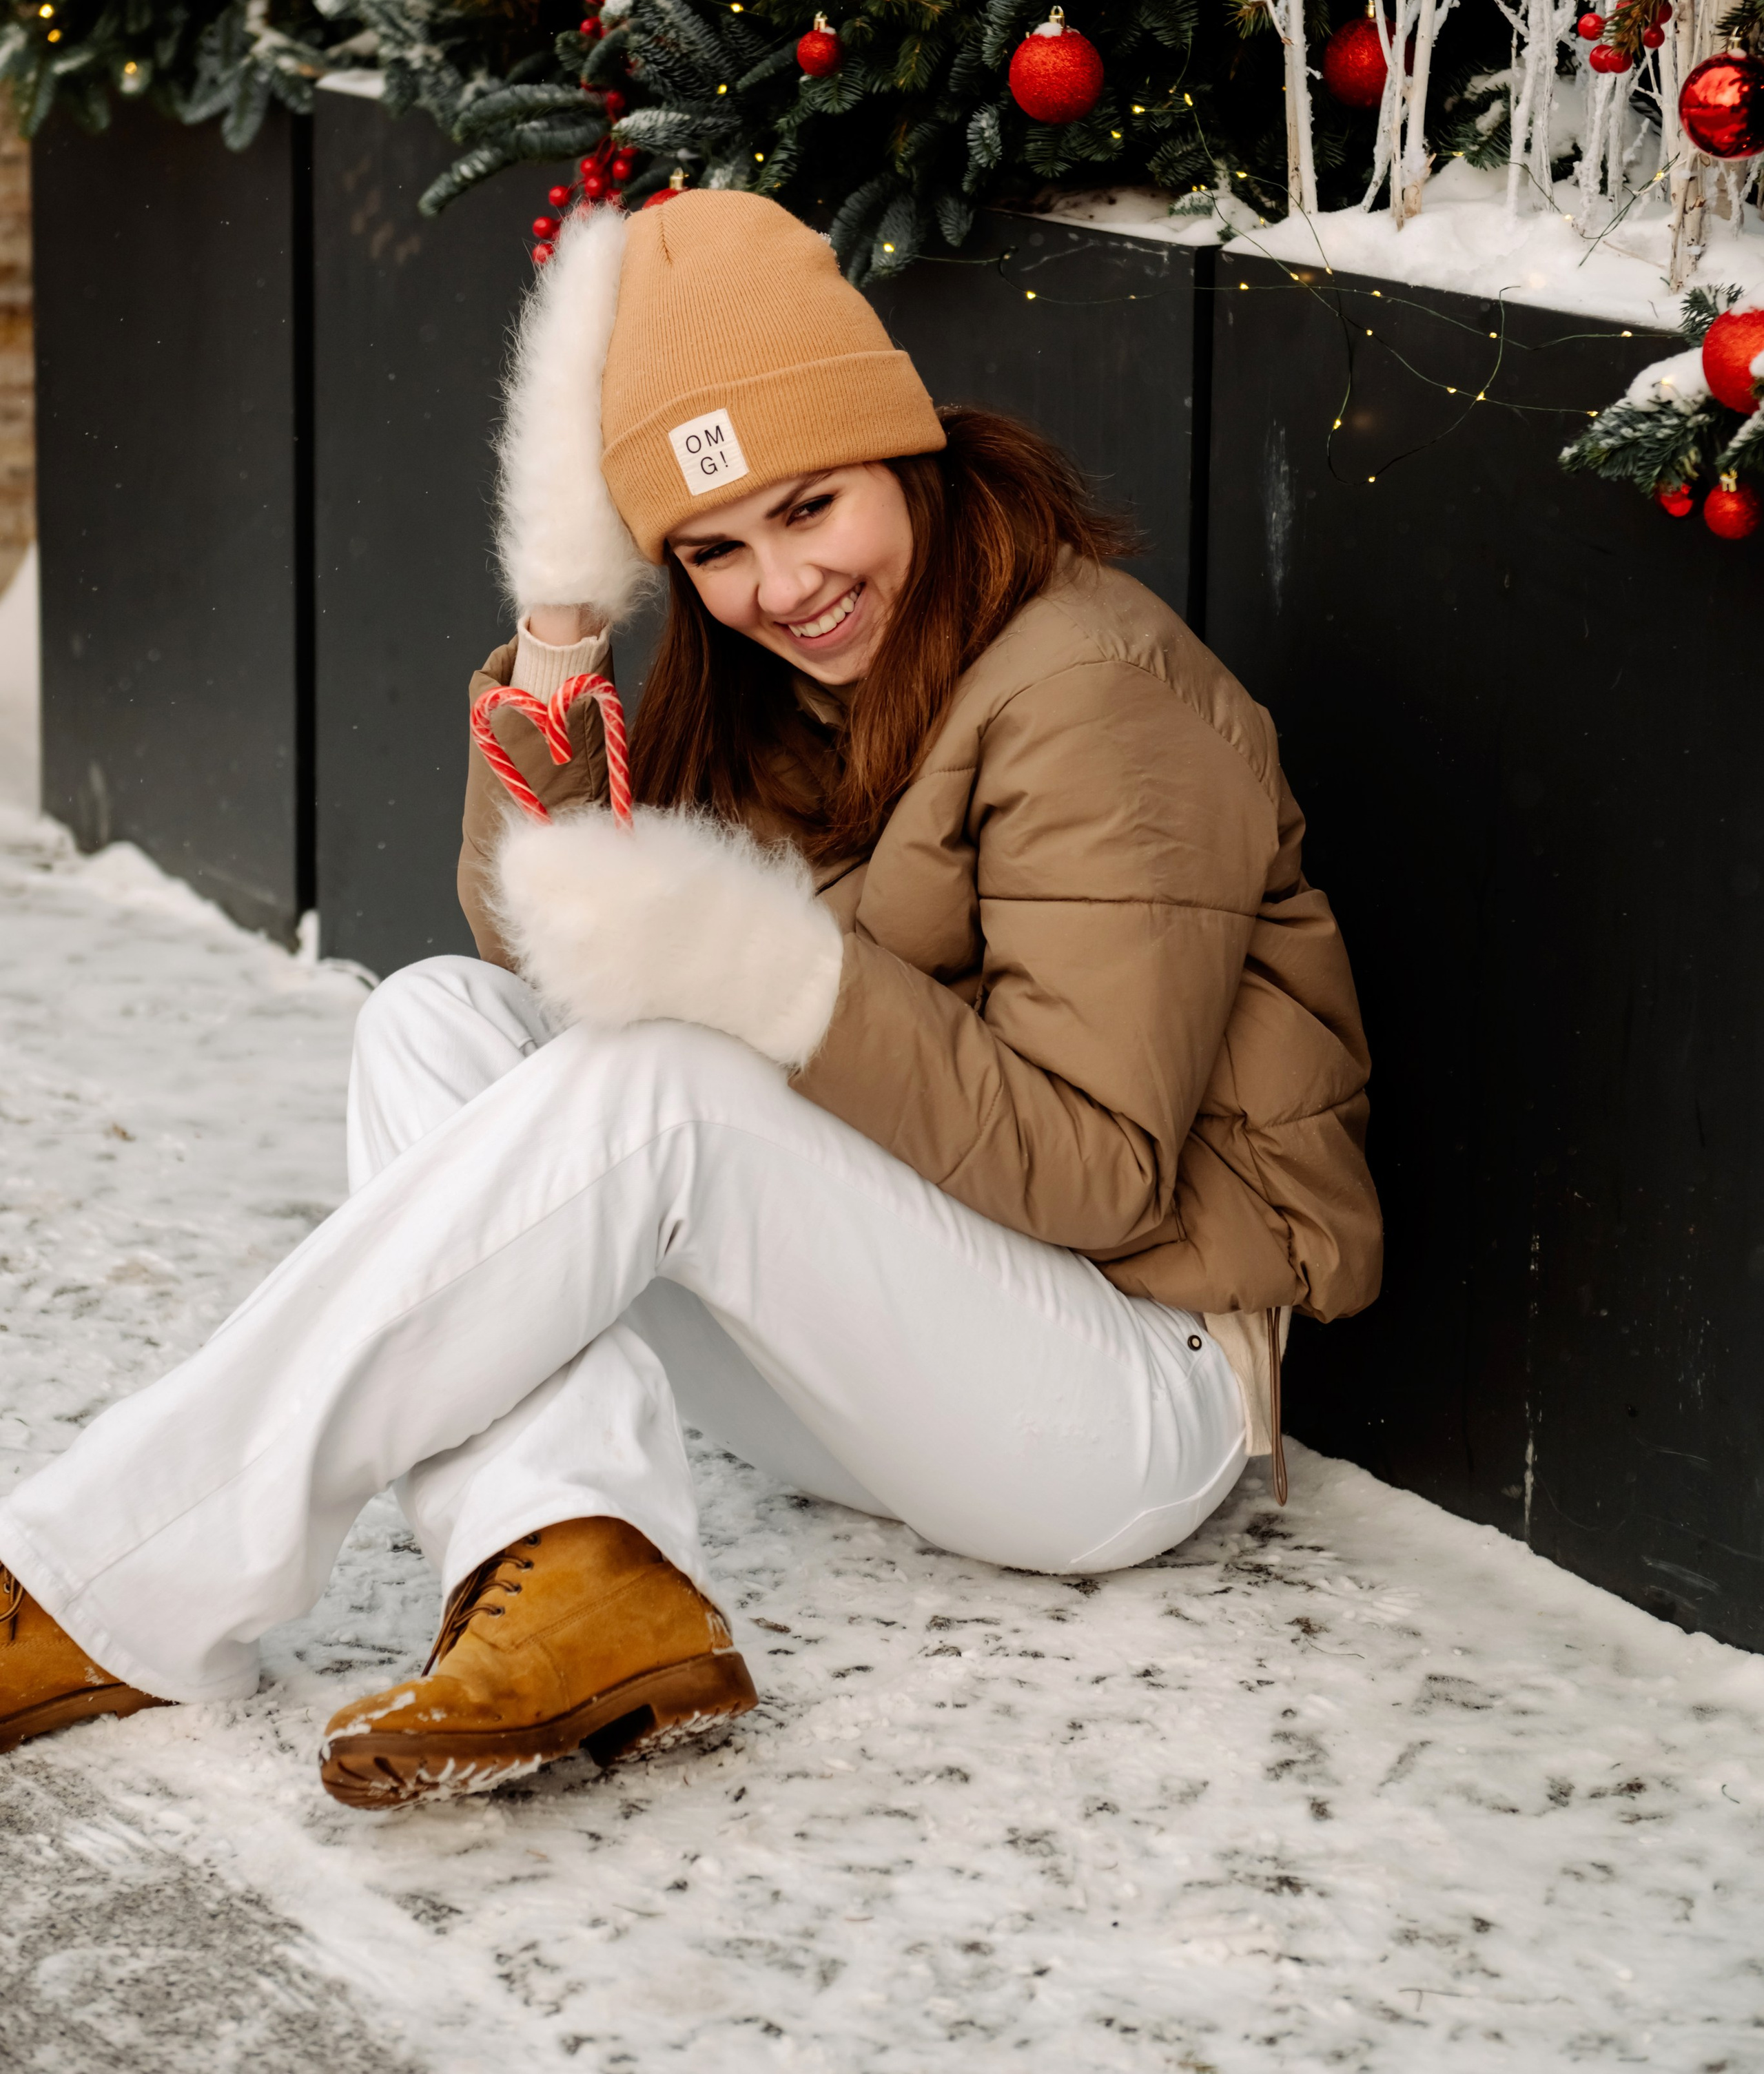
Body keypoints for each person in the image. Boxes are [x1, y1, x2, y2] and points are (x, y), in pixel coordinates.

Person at [0, 192, 1379, 1807]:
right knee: (438, 1019)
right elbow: (552, 982)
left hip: (1129, 1401)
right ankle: (575, 1565)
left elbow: (1098, 1176)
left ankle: (91, 1581)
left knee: (669, 1081)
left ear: (904, 457)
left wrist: (774, 982)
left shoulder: (1091, 691)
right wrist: (560, 637)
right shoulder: (798, 682)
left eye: (811, 508)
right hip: (897, 1366)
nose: (781, 586)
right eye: (712, 551)